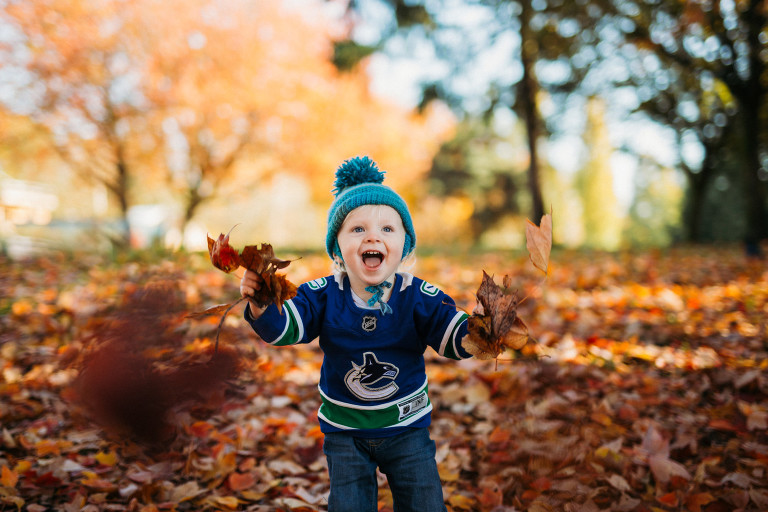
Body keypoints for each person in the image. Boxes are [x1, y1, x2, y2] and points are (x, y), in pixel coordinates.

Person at [240, 156, 474, 512]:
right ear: (337, 248)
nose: (373, 237)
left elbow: (449, 331)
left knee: (425, 504)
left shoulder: (416, 295)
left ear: (405, 246)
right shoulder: (322, 293)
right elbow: (287, 326)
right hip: (345, 430)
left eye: (387, 230)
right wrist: (262, 303)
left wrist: (480, 331)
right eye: (358, 229)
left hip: (406, 425)